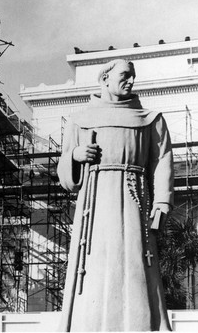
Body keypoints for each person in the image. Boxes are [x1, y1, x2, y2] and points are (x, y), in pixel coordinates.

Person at [57, 59, 173, 331]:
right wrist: (75, 157)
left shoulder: (150, 120)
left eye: (133, 76)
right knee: (93, 265)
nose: (130, 80)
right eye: (125, 75)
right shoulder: (80, 120)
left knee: (135, 263)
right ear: (105, 78)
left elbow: (162, 162)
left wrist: (162, 202)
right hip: (94, 205)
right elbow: (65, 174)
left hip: (135, 200)